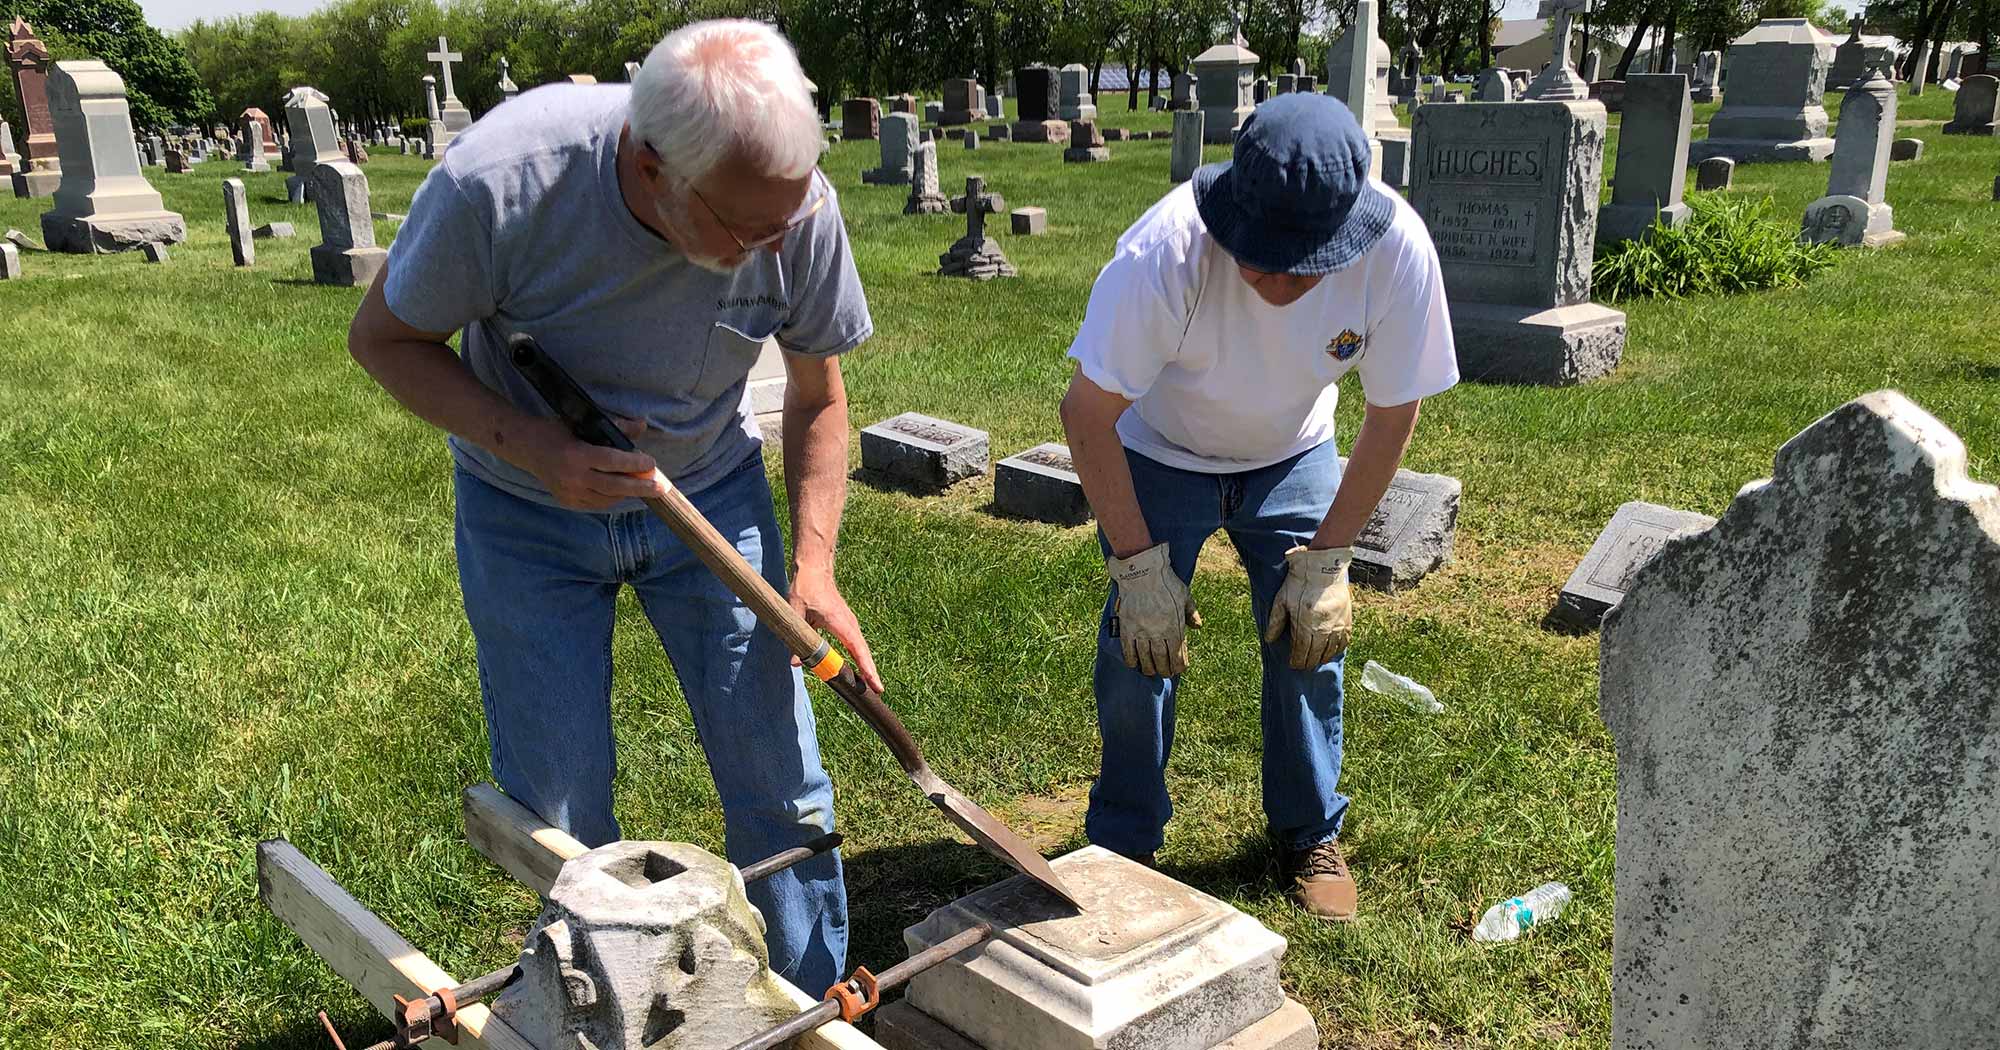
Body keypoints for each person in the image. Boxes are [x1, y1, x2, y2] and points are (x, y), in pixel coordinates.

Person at [345, 20, 876, 990]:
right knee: (558, 803)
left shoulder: (795, 213)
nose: (771, 246)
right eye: (742, 227)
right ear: (648, 165)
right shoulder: (501, 184)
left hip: (711, 496)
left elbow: (818, 398)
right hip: (526, 516)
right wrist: (531, 444)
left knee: (780, 782)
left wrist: (812, 567)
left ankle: (807, 1003)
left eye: (783, 223)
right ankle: (603, 1004)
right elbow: (383, 340)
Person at [1059, 93, 1458, 921]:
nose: (1271, 280)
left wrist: (1330, 559)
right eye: (1255, 254)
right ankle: (1123, 840)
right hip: (1158, 449)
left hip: (1295, 451)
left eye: (1296, 261)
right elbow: (1086, 414)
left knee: (1309, 635)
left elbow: (1393, 414)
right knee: (1139, 647)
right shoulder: (1162, 253)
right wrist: (1138, 569)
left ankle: (1308, 830)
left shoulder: (1398, 254)